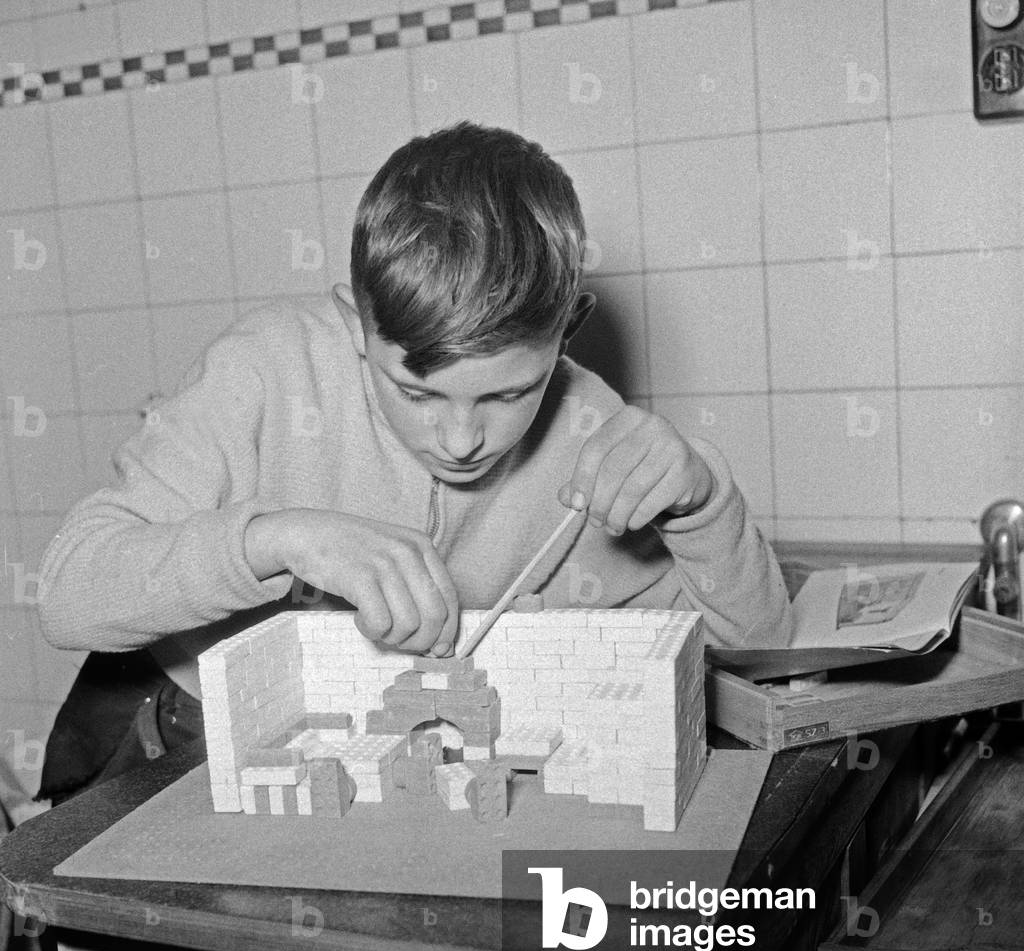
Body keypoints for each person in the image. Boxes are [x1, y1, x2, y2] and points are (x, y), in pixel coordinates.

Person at [35, 121, 792, 805]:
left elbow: (760, 655)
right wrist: (277, 538)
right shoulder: (262, 371)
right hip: (167, 723)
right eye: (417, 391)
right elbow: (68, 594)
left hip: (394, 755)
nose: (461, 439)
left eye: (509, 392)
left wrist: (703, 506)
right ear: (356, 325)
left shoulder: (594, 432)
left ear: (569, 331)